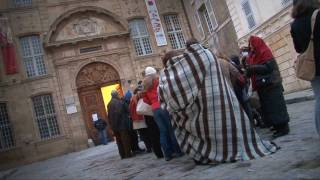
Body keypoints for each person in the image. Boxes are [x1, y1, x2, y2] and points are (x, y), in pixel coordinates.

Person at [158, 39, 278, 165]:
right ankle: (223, 149)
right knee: (219, 127)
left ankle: (202, 153)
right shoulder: (203, 60)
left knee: (202, 133)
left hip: (194, 114)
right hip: (217, 100)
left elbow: (165, 103)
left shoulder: (164, 78)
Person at [245, 36, 290, 138]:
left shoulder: (264, 51)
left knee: (276, 107)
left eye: (251, 44)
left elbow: (269, 67)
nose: (250, 46)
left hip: (271, 84)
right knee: (270, 108)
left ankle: (283, 127)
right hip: (264, 86)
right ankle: (277, 126)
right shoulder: (254, 54)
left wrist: (253, 68)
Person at [290, 0, 320, 136]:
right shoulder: (316, 14)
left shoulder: (294, 24)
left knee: (319, 99)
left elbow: (298, 48)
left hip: (312, 67)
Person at [142, 66, 183, 161]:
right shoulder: (158, 80)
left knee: (163, 131)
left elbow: (145, 100)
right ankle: (177, 151)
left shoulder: (145, 85)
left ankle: (167, 154)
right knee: (171, 129)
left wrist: (153, 103)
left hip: (155, 110)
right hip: (163, 106)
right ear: (154, 73)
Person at [107, 90, 133, 159]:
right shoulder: (119, 102)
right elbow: (123, 112)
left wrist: (112, 125)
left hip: (114, 125)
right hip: (121, 124)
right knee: (125, 140)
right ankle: (128, 154)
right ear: (116, 95)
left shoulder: (109, 104)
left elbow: (109, 116)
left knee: (119, 141)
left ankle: (122, 155)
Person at [129, 87, 153, 153]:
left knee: (143, 134)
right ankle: (150, 147)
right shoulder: (137, 97)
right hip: (140, 118)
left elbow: (130, 110)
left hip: (137, 120)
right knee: (146, 133)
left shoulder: (132, 100)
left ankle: (149, 147)